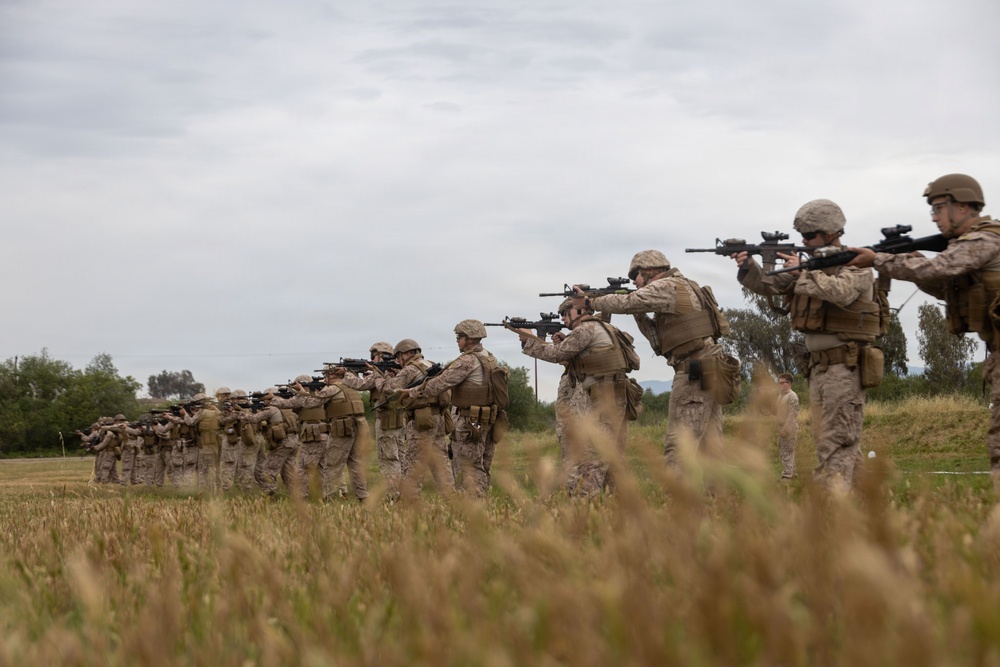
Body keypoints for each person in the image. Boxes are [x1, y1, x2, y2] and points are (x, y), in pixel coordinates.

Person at [849, 174, 1000, 493]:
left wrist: (880, 259)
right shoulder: (969, 247)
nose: (933, 217)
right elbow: (947, 286)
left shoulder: (984, 240)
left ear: (961, 206)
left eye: (938, 208)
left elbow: (939, 269)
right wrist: (909, 262)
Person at [735, 199, 881, 488]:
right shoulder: (808, 267)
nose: (804, 241)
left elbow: (841, 292)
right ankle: (871, 501)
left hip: (846, 364)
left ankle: (835, 508)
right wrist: (750, 266)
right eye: (801, 235)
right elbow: (771, 285)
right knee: (835, 438)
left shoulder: (856, 264)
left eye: (809, 236)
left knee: (836, 440)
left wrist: (804, 270)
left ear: (830, 233)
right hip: (818, 368)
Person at [582, 250, 733, 469]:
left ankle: (677, 501)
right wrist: (639, 314)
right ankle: (719, 500)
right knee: (711, 447)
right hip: (708, 368)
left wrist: (591, 302)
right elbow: (658, 340)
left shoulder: (667, 285)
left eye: (636, 277)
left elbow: (628, 302)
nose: (635, 282)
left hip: (694, 371)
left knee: (679, 447)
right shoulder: (685, 285)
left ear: (649, 270)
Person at [514, 299, 631, 497]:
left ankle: (584, 510)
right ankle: (613, 511)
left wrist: (529, 340)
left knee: (591, 456)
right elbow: (577, 357)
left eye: (565, 314)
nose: (563, 319)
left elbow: (556, 354)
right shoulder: (603, 327)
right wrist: (564, 341)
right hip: (610, 395)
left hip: (601, 399)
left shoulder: (586, 328)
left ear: (579, 310)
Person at [400, 320, 507, 497]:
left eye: (460, 337)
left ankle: (471, 510)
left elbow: (440, 383)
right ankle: (482, 508)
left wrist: (411, 392)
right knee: (481, 467)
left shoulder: (468, 360)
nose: (457, 341)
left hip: (470, 422)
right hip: (488, 420)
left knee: (467, 468)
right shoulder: (489, 357)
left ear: (469, 339)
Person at [374, 339, 454, 499]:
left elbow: (390, 389)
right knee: (441, 462)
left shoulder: (410, 369)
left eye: (399, 356)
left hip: (421, 418)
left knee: (413, 461)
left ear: (407, 353)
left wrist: (378, 378)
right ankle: (452, 498)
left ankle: (408, 501)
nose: (398, 361)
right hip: (438, 416)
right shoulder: (429, 364)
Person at [335, 342, 404, 496]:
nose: (372, 359)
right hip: (398, 417)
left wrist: (345, 374)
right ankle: (404, 491)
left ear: (382, 355)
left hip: (386, 418)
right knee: (399, 456)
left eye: (374, 356)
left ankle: (394, 495)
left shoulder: (380, 371)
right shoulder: (398, 369)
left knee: (388, 459)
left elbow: (360, 385)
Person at [775, 373, 799, 479]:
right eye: (779, 383)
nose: (780, 385)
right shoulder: (781, 396)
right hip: (781, 427)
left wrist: (785, 429)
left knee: (787, 452)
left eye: (782, 383)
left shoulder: (792, 396)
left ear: (788, 383)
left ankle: (786, 477)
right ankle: (793, 473)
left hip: (789, 428)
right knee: (784, 451)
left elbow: (792, 415)